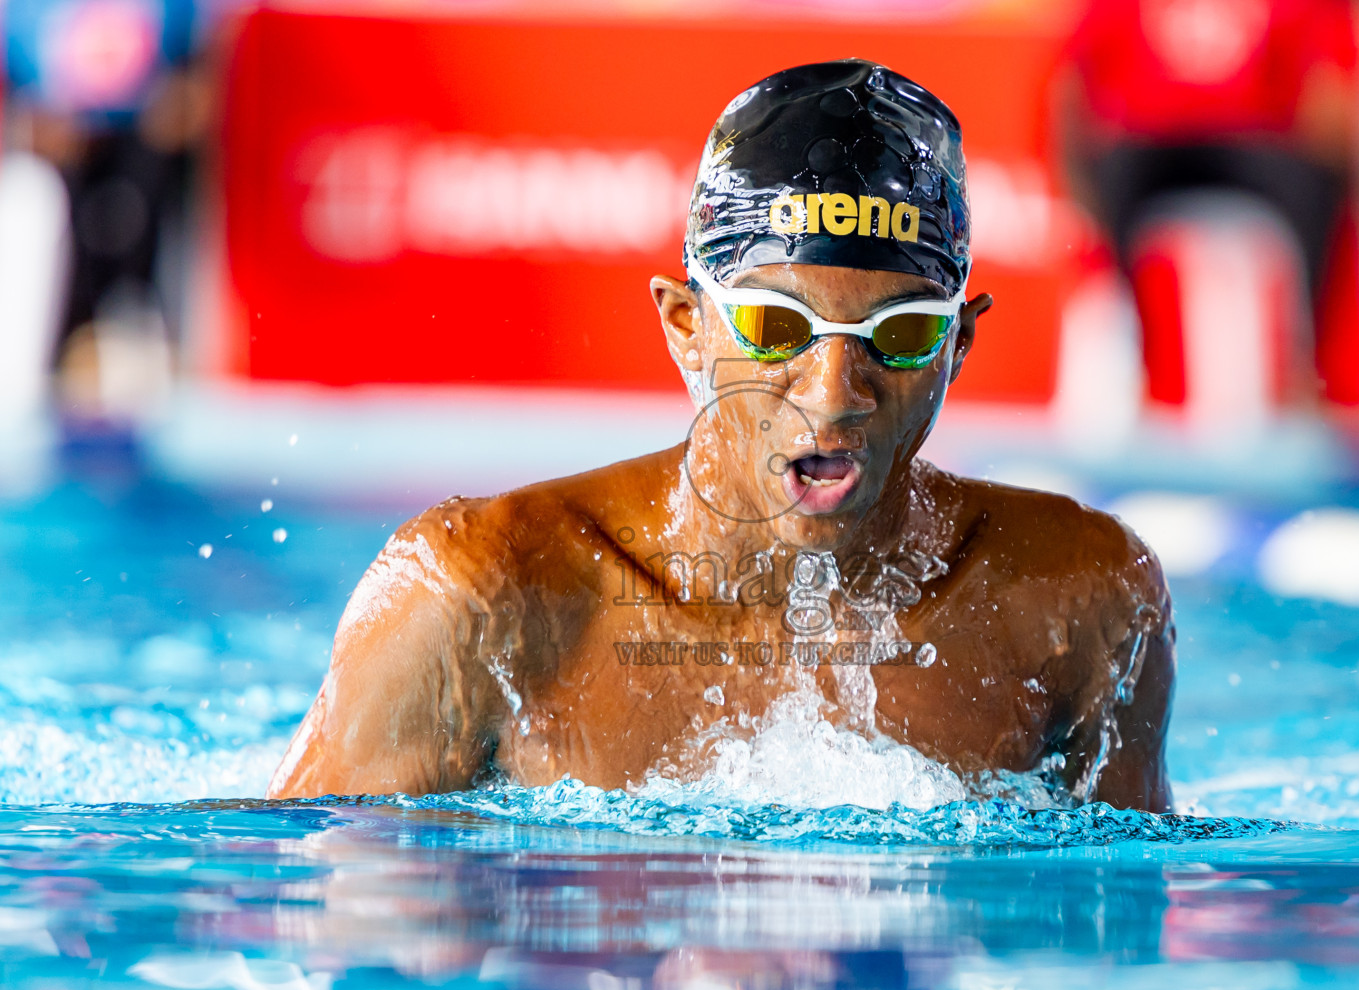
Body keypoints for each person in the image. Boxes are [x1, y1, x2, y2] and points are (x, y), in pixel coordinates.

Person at [268, 60, 1175, 812]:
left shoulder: (1082, 599)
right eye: (777, 327)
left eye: (901, 336)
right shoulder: (479, 597)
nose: (834, 394)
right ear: (684, 323)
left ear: (959, 342)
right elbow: (304, 906)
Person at [1058, 0, 1359, 405]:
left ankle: (1305, 361)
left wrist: (1326, 144)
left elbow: (1324, 78)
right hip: (1152, 140)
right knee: (1113, 176)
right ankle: (1125, 331)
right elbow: (1073, 76)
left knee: (1312, 184)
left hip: (1251, 139)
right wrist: (1078, 177)